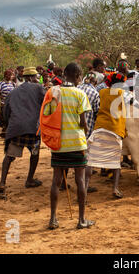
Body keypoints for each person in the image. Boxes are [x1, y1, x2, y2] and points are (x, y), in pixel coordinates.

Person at [47, 62, 94, 230]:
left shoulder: (53, 93)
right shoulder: (80, 94)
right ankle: (81, 220)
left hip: (59, 144)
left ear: (64, 74)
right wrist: (87, 131)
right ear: (77, 76)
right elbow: (83, 122)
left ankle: (53, 219)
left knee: (56, 181)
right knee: (80, 180)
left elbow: (49, 117)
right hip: (77, 143)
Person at [0, 67, 45, 194]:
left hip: (16, 128)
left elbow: (5, 111)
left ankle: (2, 182)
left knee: (9, 155)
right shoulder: (39, 88)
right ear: (31, 77)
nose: (37, 79)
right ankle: (29, 180)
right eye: (36, 77)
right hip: (33, 128)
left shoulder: (13, 91)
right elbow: (46, 104)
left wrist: (9, 123)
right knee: (35, 153)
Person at [0, 69, 16, 138]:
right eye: (9, 75)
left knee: (11, 119)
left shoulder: (13, 83)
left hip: (12, 104)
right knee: (5, 119)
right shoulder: (1, 83)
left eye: (11, 75)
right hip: (4, 104)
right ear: (5, 76)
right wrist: (2, 99)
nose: (11, 77)